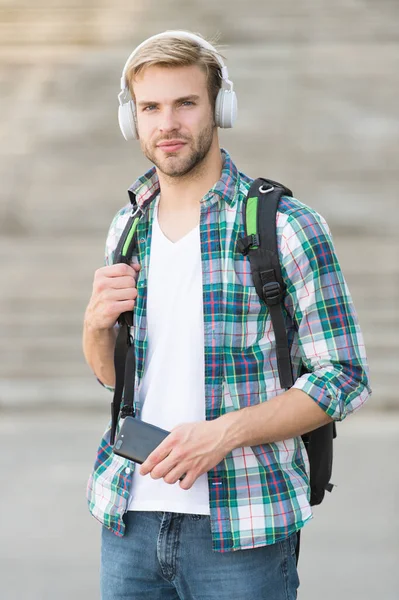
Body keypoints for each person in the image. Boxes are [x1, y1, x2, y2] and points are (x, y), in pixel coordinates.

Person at [83, 30, 371, 600]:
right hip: (129, 518)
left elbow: (343, 376)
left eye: (186, 103)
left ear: (220, 107)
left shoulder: (287, 226)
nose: (168, 123)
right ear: (132, 120)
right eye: (151, 107)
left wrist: (221, 436)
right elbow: (115, 380)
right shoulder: (128, 228)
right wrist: (95, 326)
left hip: (243, 524)